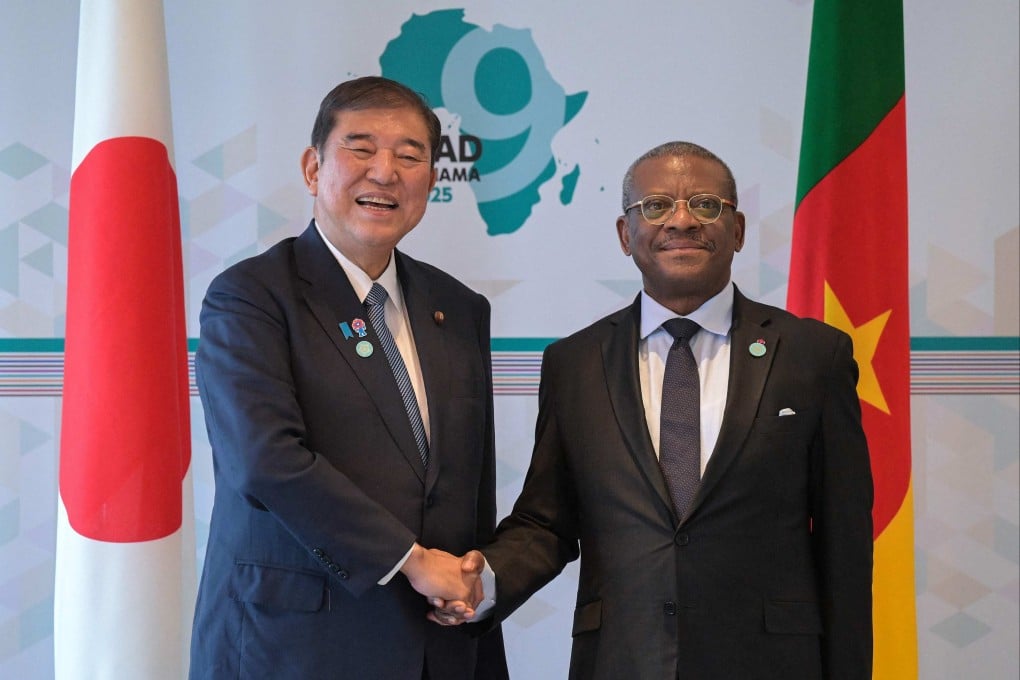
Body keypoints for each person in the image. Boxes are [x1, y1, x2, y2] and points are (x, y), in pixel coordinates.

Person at [435, 141, 874, 679]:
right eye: (656, 206)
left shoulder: (813, 355)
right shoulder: (573, 363)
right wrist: (485, 580)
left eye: (707, 205)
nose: (682, 221)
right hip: (621, 659)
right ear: (626, 235)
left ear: (737, 230)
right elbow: (546, 522)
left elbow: (844, 546)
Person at [189, 76, 507, 680]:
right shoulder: (251, 297)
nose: (385, 172)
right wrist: (411, 560)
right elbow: (265, 461)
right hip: (294, 647)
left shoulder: (460, 308)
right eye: (360, 149)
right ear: (313, 168)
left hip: (439, 650)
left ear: (431, 181)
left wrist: (475, 595)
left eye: (410, 156)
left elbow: (468, 489)